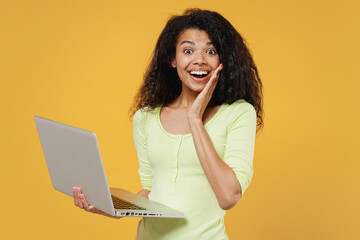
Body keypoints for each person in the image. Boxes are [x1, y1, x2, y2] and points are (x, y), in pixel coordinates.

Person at [73, 8, 263, 239]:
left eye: (211, 51)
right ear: (173, 59)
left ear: (223, 60)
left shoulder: (238, 113)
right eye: (188, 50)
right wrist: (111, 208)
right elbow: (150, 190)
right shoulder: (146, 117)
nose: (199, 60)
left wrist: (195, 119)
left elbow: (228, 197)